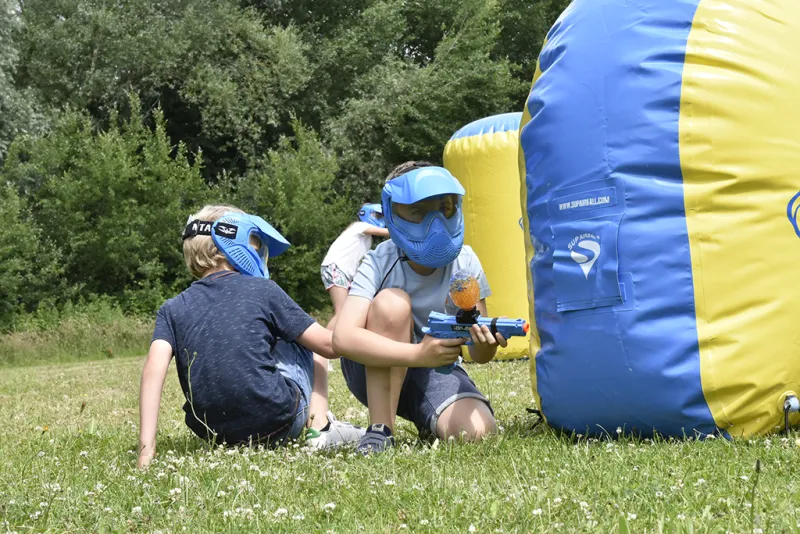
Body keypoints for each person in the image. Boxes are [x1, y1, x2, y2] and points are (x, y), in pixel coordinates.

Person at [137, 205, 363, 468]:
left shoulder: (172, 307)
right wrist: (356, 305)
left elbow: (153, 371)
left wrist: (145, 451)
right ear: (232, 243)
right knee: (306, 344)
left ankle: (309, 424)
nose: (260, 253)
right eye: (256, 246)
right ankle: (319, 427)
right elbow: (328, 346)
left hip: (214, 433)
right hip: (280, 423)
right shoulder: (263, 290)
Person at [332, 162, 508, 454]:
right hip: (375, 367)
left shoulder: (465, 263)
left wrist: (486, 342)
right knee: (392, 304)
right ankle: (381, 429)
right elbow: (343, 337)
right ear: (393, 214)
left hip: (435, 369)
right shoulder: (380, 261)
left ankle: (427, 415)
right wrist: (418, 354)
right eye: (419, 212)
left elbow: (479, 353)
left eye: (445, 208)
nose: (435, 223)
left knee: (478, 432)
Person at [321, 203, 389, 332]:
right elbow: (386, 233)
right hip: (336, 268)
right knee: (342, 312)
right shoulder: (359, 226)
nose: (381, 220)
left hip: (342, 271)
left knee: (348, 311)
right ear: (367, 214)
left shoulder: (366, 238)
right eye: (378, 216)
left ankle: (334, 346)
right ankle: (321, 348)